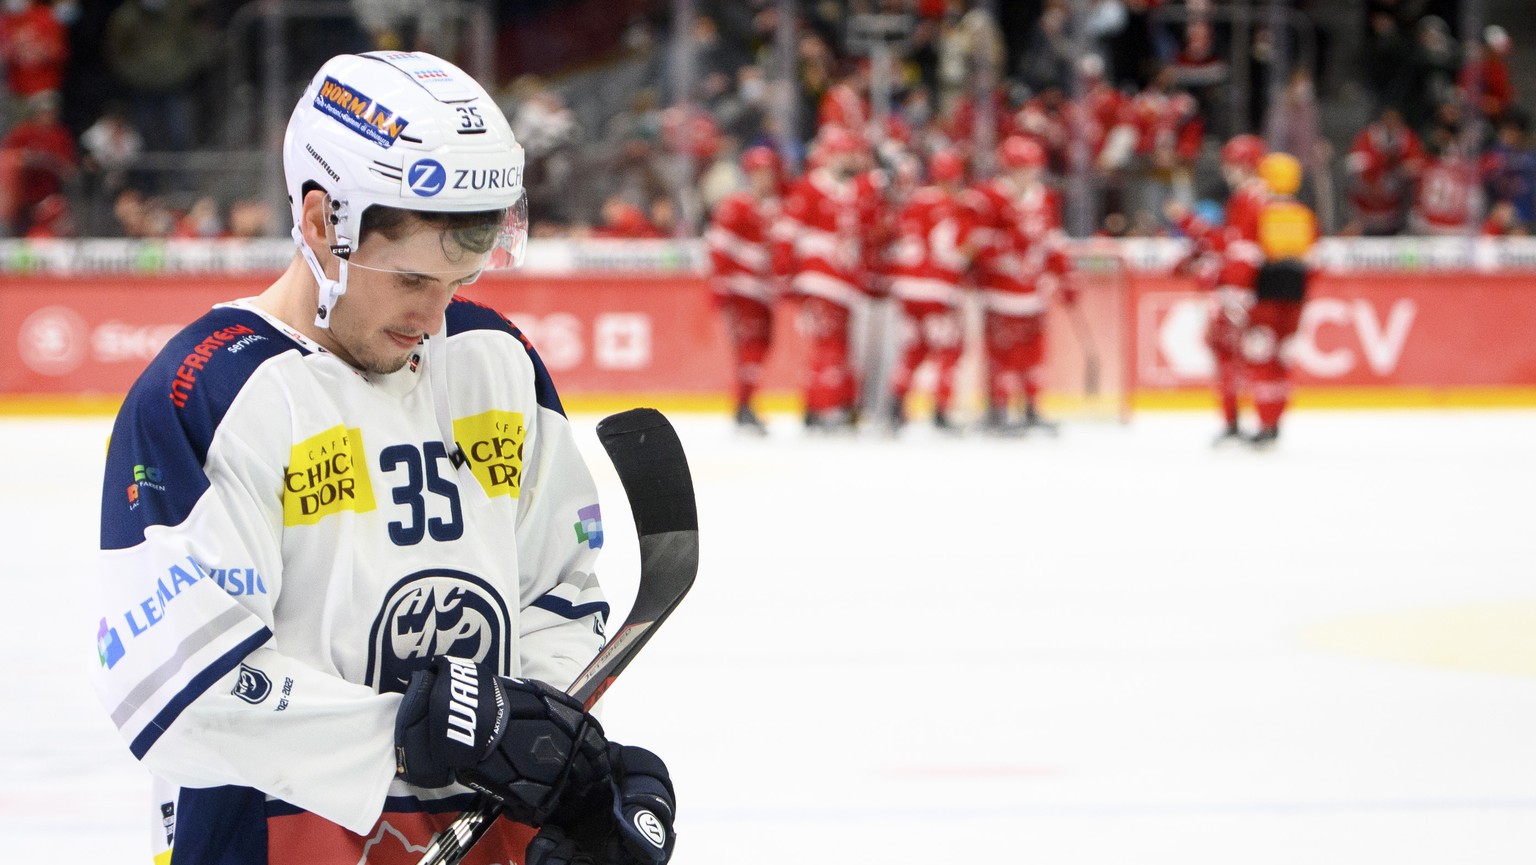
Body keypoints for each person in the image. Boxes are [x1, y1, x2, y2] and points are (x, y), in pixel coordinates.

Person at [91, 51, 677, 865]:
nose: (434, 317)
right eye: (409, 277)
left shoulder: (495, 359)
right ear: (323, 223)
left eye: (459, 279)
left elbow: (557, 591)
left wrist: (562, 763)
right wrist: (412, 734)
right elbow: (176, 693)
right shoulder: (208, 393)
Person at [883, 148, 973, 433]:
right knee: (948, 349)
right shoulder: (953, 206)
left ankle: (896, 408)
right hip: (937, 288)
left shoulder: (912, 201)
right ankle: (942, 410)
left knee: (912, 350)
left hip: (907, 288)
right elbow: (957, 251)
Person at [704, 144, 785, 434]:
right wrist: (721, 286)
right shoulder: (737, 205)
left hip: (763, 292)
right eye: (760, 173)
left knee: (761, 347)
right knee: (749, 348)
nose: (766, 178)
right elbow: (718, 246)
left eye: (769, 172)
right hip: (743, 291)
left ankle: (745, 403)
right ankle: (744, 405)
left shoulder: (774, 207)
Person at [1245, 151, 1317, 447]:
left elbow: (1247, 254)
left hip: (1265, 294)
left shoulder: (1259, 210)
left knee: (1263, 359)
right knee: (1283, 360)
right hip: (1295, 294)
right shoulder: (1304, 214)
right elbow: (1314, 256)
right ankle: (1276, 420)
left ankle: (1265, 421)